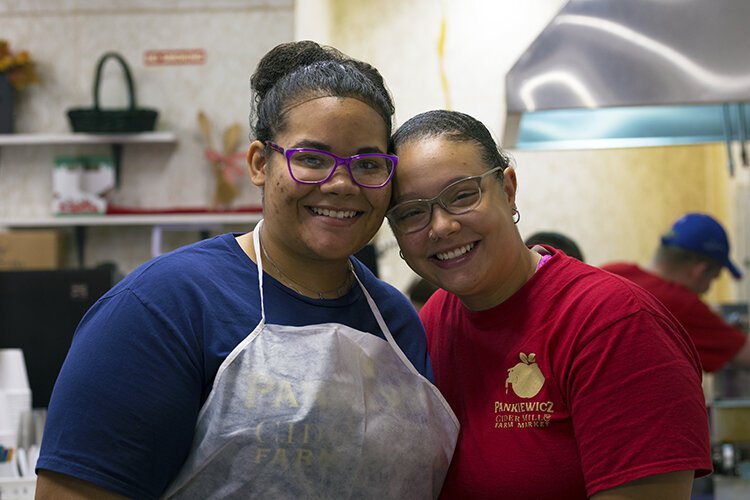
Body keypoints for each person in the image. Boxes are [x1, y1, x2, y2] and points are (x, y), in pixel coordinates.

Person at [35, 41, 458, 499]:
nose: (341, 183)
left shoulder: (395, 324)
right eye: (311, 159)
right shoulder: (163, 307)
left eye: (368, 164)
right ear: (260, 163)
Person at [386, 109, 711, 499]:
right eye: (411, 213)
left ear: (507, 190)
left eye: (462, 195)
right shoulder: (433, 321)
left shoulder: (615, 325)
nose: (441, 226)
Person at [602, 212, 750, 373]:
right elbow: (745, 356)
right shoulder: (683, 305)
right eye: (713, 278)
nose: (707, 289)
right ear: (700, 270)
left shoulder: (612, 271)